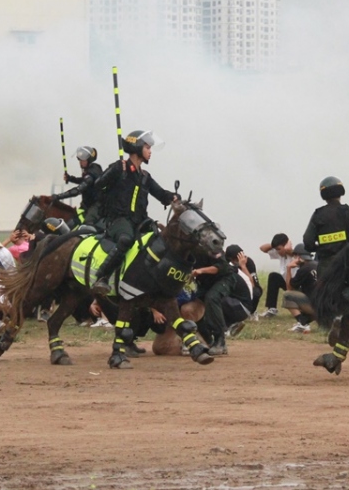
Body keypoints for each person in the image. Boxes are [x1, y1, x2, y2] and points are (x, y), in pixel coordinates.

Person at [89, 130, 177, 293]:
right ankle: (101, 277)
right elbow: (98, 184)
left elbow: (161, 194)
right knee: (125, 239)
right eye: (147, 147)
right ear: (137, 147)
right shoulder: (119, 168)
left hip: (140, 221)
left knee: (160, 241)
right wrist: (115, 171)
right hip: (118, 220)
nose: (150, 151)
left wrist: (174, 198)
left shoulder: (145, 176)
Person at [302, 176, 349, 274]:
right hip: (348, 266)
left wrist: (321, 248)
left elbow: (308, 241)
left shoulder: (317, 216)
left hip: (325, 270)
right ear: (341, 191)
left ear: (323, 194)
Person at [193, 243, 241, 356]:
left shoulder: (212, 248)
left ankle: (220, 341)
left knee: (212, 297)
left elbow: (221, 267)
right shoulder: (188, 250)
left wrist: (200, 271)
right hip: (205, 283)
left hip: (224, 278)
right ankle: (209, 341)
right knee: (193, 307)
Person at [57, 146, 104, 225]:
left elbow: (77, 190)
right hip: (86, 206)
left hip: (96, 206)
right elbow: (83, 181)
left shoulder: (93, 172)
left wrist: (58, 196)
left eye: (83, 160)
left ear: (89, 160)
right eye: (79, 160)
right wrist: (70, 178)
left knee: (87, 224)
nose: (80, 162)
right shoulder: (90, 170)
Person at [282, 244, 318, 333]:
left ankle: (302, 323)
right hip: (327, 306)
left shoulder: (304, 269)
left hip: (316, 306)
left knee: (288, 295)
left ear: (298, 257)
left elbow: (290, 288)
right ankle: (304, 322)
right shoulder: (317, 264)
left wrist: (289, 268)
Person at [258, 233, 294, 317]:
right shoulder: (280, 254)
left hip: (298, 285)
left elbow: (289, 249)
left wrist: (288, 242)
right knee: (273, 276)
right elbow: (262, 248)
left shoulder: (295, 254)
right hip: (288, 283)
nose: (277, 251)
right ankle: (272, 309)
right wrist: (274, 245)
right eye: (276, 249)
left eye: (279, 249)